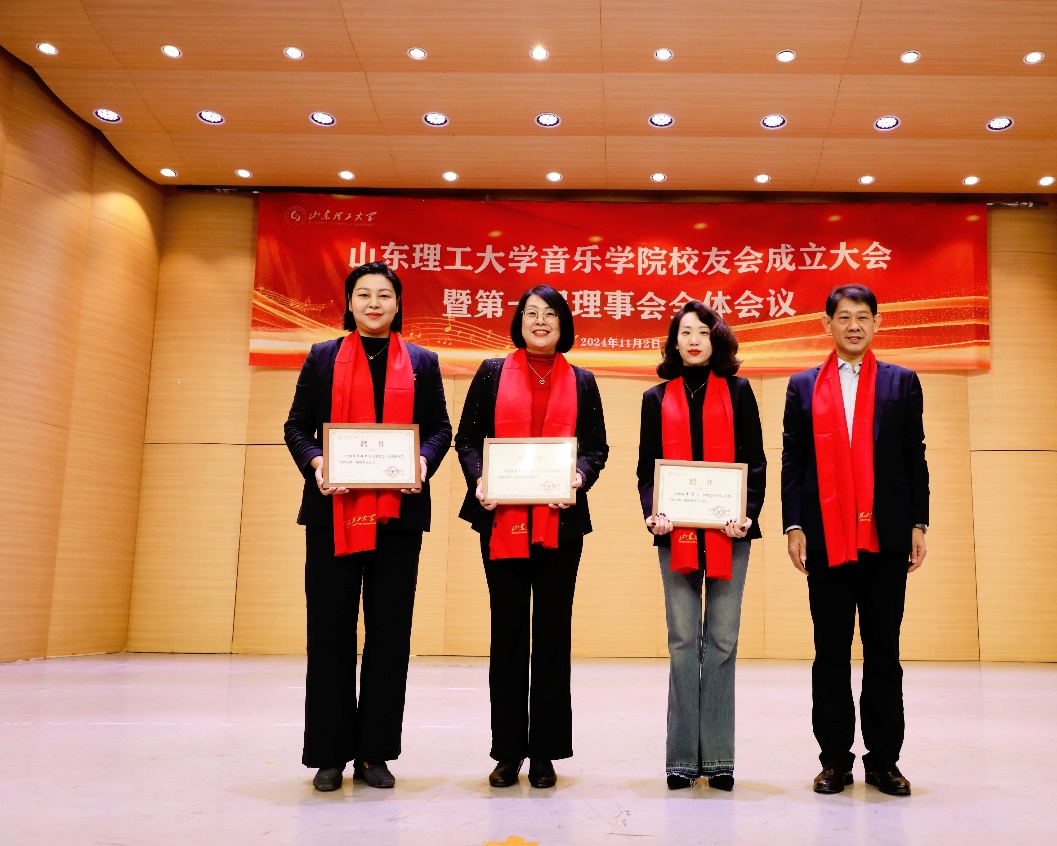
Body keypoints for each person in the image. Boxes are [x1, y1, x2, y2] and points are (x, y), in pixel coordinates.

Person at [283, 261, 452, 792]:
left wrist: (422, 461)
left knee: (389, 635)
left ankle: (375, 753)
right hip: (332, 513)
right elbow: (296, 426)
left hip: (398, 517)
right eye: (364, 295)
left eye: (384, 295)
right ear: (350, 302)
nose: (374, 303)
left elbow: (440, 429)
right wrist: (316, 463)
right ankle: (329, 754)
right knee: (329, 632)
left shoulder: (422, 362)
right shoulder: (323, 356)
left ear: (398, 304)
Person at [455, 285, 609, 789]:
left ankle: (544, 753)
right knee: (507, 634)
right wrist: (480, 478)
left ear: (564, 324)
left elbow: (596, 448)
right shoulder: (491, 372)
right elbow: (467, 438)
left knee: (552, 636)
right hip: (501, 518)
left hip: (561, 522)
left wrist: (579, 477)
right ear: (519, 322)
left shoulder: (582, 381)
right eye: (530, 313)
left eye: (549, 314)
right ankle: (507, 752)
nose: (540, 321)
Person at [781, 284, 929, 797]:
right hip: (825, 537)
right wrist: (794, 525)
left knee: (884, 651)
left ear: (877, 323)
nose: (854, 326)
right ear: (827, 324)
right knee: (830, 652)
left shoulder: (901, 382)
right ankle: (834, 761)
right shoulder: (803, 386)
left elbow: (914, 456)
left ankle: (884, 761)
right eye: (844, 317)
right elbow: (794, 460)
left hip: (886, 536)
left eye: (863, 317)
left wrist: (919, 523)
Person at [636, 301, 766, 791]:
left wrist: (746, 511)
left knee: (723, 642)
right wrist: (653, 512)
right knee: (683, 642)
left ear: (717, 340)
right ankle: (680, 760)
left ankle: (718, 758)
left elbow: (755, 461)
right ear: (674, 342)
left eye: (703, 333)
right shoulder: (654, 398)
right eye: (685, 332)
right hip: (675, 533)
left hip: (731, 532)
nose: (694, 340)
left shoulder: (740, 392)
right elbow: (647, 468)